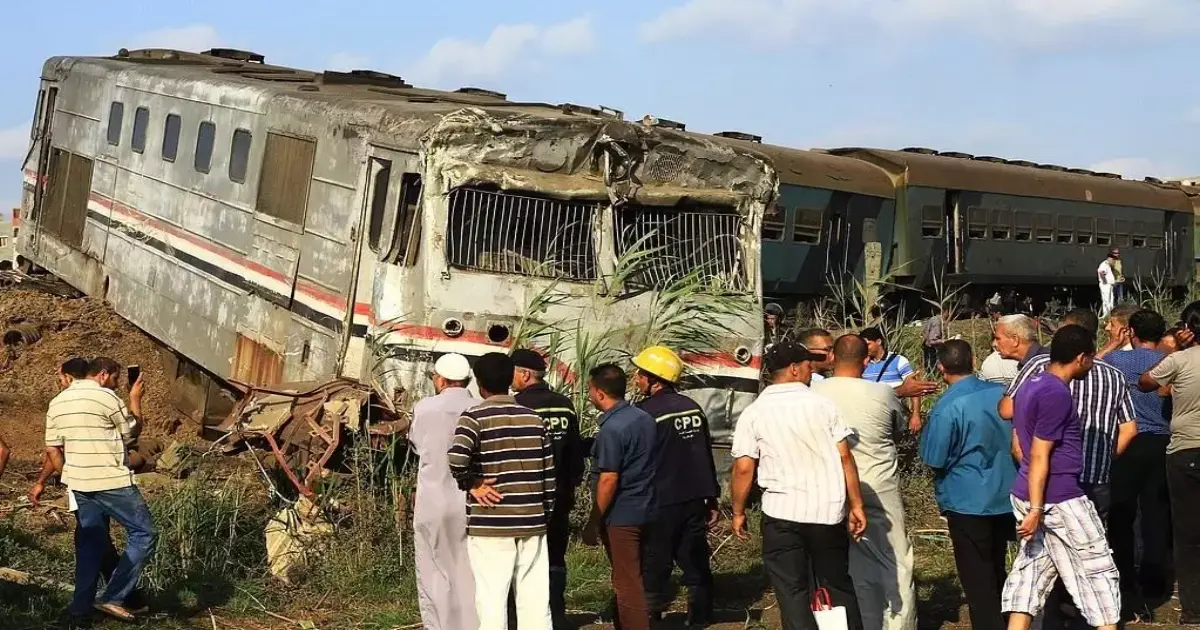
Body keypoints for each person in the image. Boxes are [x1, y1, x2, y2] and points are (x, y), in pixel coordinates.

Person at [1001, 309, 1135, 629]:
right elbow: (1041, 454)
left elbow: (1017, 430)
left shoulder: (1032, 380)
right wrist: (1037, 508)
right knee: (1098, 568)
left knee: (1032, 570)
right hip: (1059, 495)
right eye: (1090, 358)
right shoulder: (1057, 393)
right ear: (1081, 358)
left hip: (1028, 489)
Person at [731, 341, 866, 630]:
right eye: (807, 364)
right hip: (827, 512)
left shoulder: (754, 412)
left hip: (781, 513)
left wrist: (738, 511)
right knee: (837, 584)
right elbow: (845, 457)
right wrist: (856, 504)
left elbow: (744, 467)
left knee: (792, 591)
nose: (810, 369)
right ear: (794, 369)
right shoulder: (823, 405)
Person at [812, 335, 916, 630]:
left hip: (829, 485)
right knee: (893, 559)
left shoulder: (814, 393)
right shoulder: (882, 393)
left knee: (842, 562)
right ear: (866, 361)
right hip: (876, 483)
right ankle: (896, 623)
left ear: (832, 357)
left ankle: (853, 620)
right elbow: (897, 428)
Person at [42, 357, 157, 623]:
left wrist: (69, 476)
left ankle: (80, 611)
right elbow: (132, 433)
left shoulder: (57, 403)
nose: (115, 384)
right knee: (145, 533)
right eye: (115, 378)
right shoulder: (107, 397)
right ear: (103, 375)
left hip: (79, 484)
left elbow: (52, 449)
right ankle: (112, 596)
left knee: (89, 545)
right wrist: (135, 399)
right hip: (111, 481)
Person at [447, 352, 556, 630]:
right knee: (535, 598)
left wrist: (473, 484)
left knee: (491, 597)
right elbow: (548, 473)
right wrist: (544, 513)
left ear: (479, 383)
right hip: (532, 519)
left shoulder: (473, 417)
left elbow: (457, 459)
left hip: (491, 520)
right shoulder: (534, 419)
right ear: (510, 380)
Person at [920, 340, 1016, 630]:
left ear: (941, 368)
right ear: (973, 361)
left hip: (968, 500)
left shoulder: (947, 407)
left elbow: (934, 457)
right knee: (998, 564)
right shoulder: (1002, 393)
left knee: (976, 575)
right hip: (1006, 493)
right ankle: (1009, 619)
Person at [630, 346, 718, 625]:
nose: (636, 379)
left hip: (660, 499)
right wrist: (712, 497)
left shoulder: (644, 413)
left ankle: (649, 617)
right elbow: (705, 453)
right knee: (695, 559)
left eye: (640, 374)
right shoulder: (692, 407)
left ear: (654, 379)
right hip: (694, 498)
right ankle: (701, 615)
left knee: (655, 560)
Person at [1104, 310, 1171, 618]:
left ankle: (1124, 579)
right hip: (1161, 440)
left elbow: (1091, 366)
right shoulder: (1169, 361)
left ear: (1131, 331)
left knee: (1122, 513)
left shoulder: (1116, 361)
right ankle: (1155, 581)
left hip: (1127, 440)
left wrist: (1111, 344)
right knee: (1156, 513)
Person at [510, 348, 582, 630]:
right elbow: (575, 453)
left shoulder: (517, 406)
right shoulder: (565, 404)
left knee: (522, 560)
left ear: (525, 374)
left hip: (526, 499)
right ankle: (557, 614)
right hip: (560, 496)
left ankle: (520, 618)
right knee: (555, 556)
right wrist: (571, 485)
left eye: (513, 373)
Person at [1137, 300, 1200, 624]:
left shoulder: (1179, 359)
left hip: (1186, 449)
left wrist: (1176, 353)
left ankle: (1193, 609)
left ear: (1188, 329)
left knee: (1188, 534)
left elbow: (1145, 382)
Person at [582, 364, 656, 630]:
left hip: (622, 514)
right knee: (635, 574)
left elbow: (609, 479)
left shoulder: (612, 429)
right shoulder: (644, 418)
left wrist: (594, 520)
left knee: (627, 582)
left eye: (590, 389)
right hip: (648, 506)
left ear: (600, 393)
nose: (589, 394)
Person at [409, 353, 478, 630]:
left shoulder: (426, 408)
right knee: (469, 567)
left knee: (433, 566)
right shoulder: (479, 407)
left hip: (434, 497)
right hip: (473, 498)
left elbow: (417, 444)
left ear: (440, 380)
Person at [860, 327, 923, 432]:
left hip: (895, 418)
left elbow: (914, 388)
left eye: (868, 344)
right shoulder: (862, 364)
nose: (865, 349)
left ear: (878, 342)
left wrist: (915, 415)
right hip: (869, 419)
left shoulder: (898, 361)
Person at [1097, 250, 1119, 317]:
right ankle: (1106, 315)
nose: (1114, 261)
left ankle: (1110, 314)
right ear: (1110, 258)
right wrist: (1104, 281)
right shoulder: (1104, 264)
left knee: (1111, 301)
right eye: (1113, 260)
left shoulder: (1108, 265)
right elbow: (1101, 272)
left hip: (1109, 285)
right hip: (1105, 285)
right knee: (1106, 301)